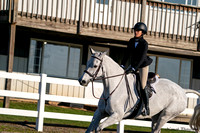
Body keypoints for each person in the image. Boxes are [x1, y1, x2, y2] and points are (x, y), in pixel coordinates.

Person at [121, 22, 153, 116]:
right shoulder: (131, 41)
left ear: (142, 32)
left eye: (138, 31)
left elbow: (142, 58)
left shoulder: (144, 43)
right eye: (135, 30)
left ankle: (146, 107)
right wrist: (122, 65)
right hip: (133, 65)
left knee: (142, 85)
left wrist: (134, 68)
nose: (136, 32)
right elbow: (127, 54)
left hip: (142, 65)